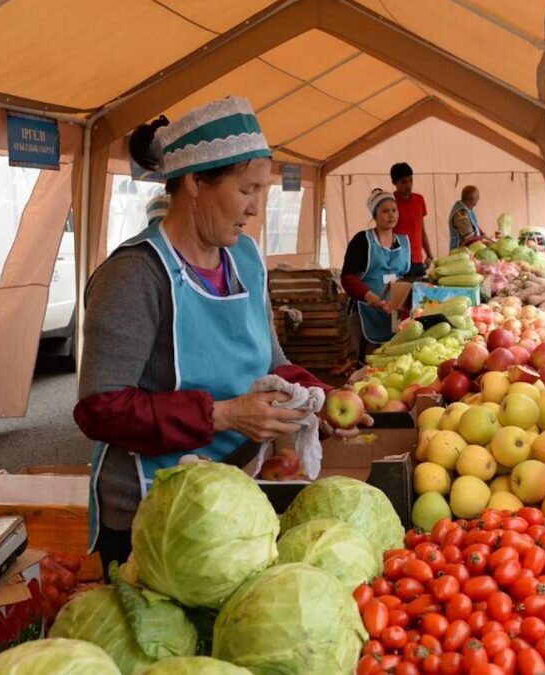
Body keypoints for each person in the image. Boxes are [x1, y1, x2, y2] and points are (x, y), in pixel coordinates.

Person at [74, 97, 355, 577]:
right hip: (156, 511)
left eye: (261, 191)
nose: (255, 208)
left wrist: (320, 397)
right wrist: (224, 415)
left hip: (239, 488)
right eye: (246, 189)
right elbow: (99, 408)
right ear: (195, 183)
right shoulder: (135, 276)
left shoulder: (243, 257)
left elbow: (270, 359)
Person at [341, 188, 412, 356]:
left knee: (393, 357)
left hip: (396, 311)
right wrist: (370, 297)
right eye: (385, 211)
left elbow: (409, 276)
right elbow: (347, 277)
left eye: (394, 210)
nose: (391, 215)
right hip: (367, 309)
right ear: (375, 215)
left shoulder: (404, 241)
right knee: (369, 359)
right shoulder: (362, 241)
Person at [390, 162, 432, 276]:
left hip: (418, 260)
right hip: (398, 261)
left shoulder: (419, 200)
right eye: (404, 181)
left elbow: (421, 230)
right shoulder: (389, 203)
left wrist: (429, 254)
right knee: (402, 293)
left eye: (410, 180)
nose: (408, 185)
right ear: (394, 182)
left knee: (421, 292)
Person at [447, 185, 484, 251]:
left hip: (468, 251)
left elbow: (473, 225)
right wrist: (484, 241)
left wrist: (480, 231)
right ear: (472, 200)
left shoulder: (468, 209)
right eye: (477, 197)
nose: (479, 198)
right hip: (459, 252)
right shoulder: (461, 214)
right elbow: (470, 238)